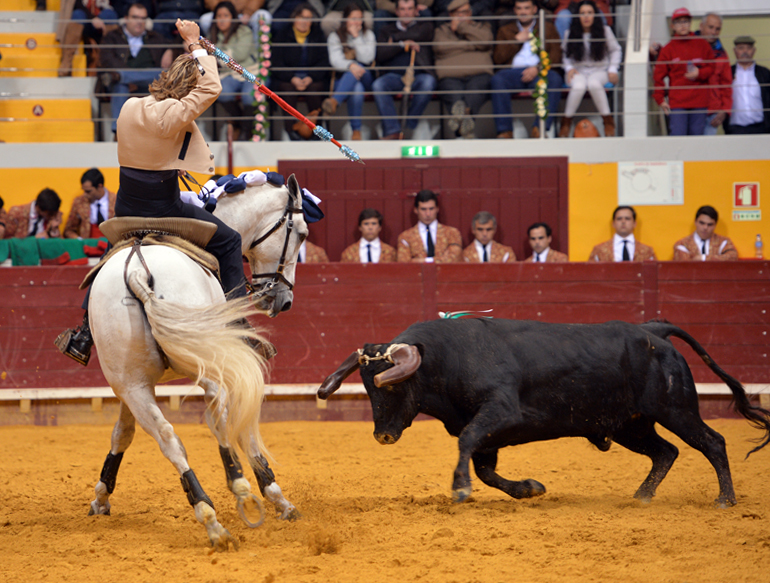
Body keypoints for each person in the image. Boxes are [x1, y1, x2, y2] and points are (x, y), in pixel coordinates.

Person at [57, 18, 249, 366]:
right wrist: (196, 46)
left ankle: (84, 330)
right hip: (164, 208)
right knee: (230, 240)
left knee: (111, 256)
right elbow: (210, 90)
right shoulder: (174, 114)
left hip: (127, 208)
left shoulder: (130, 107)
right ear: (186, 90)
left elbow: (154, 145)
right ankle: (237, 322)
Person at [491, 0, 563, 139]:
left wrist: (537, 68)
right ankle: (505, 131)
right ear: (515, 11)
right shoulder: (505, 30)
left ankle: (539, 128)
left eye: (526, 8)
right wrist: (515, 41)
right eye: (519, 8)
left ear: (534, 9)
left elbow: (556, 56)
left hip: (538, 72)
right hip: (513, 73)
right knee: (497, 80)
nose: (523, 12)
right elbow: (498, 59)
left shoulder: (547, 28)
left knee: (555, 79)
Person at [99, 2, 174, 136]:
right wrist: (130, 78)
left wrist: (169, 50)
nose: (139, 22)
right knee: (120, 86)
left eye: (143, 18)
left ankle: (122, 76)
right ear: (126, 18)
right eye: (135, 17)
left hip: (149, 84)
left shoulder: (155, 37)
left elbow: (176, 44)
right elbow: (107, 61)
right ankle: (119, 132)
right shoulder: (112, 37)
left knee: (163, 74)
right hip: (122, 85)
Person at [372, 0, 437, 140]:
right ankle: (392, 130)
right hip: (394, 76)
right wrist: (402, 45)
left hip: (418, 76)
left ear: (415, 11)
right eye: (402, 9)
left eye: (409, 9)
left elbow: (420, 34)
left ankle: (408, 125)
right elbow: (380, 54)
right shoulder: (386, 30)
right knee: (378, 85)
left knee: (428, 83)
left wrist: (395, 39)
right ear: (397, 12)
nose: (406, 12)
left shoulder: (425, 27)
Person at [432, 0, 494, 140]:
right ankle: (466, 119)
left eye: (464, 12)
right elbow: (440, 48)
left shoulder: (482, 27)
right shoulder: (441, 31)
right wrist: (472, 45)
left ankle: (461, 122)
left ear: (470, 13)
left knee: (476, 90)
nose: (461, 17)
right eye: (457, 13)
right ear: (450, 15)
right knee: (452, 91)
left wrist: (463, 29)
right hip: (450, 77)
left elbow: (486, 42)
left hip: (479, 75)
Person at [560, 0, 621, 137]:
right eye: (582, 13)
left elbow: (616, 50)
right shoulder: (569, 33)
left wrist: (613, 69)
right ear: (577, 16)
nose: (586, 16)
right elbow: (565, 55)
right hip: (577, 71)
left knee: (594, 83)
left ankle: (608, 122)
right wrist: (569, 68)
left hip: (600, 71)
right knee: (579, 86)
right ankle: (566, 122)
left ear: (595, 15)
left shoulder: (605, 31)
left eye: (589, 13)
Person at [270, 3, 330, 140]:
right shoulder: (283, 35)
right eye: (301, 17)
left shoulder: (318, 35)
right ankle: (291, 131)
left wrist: (311, 77)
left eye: (308, 18)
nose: (304, 22)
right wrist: (292, 78)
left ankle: (317, 131)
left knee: (315, 90)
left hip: (312, 78)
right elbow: (277, 63)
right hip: (288, 79)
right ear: (294, 18)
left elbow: (324, 62)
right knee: (287, 90)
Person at [652, 7, 714, 136]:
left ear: (690, 23)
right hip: (678, 103)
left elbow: (712, 67)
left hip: (699, 102)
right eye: (679, 22)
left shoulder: (702, 45)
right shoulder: (668, 49)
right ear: (673, 26)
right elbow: (658, 76)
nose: (683, 25)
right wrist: (660, 99)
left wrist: (699, 73)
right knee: (677, 139)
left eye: (685, 21)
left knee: (696, 140)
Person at [322, 3, 377, 141]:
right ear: (345, 19)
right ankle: (356, 131)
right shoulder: (335, 36)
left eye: (359, 18)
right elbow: (335, 61)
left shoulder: (368, 35)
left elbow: (368, 58)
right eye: (353, 18)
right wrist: (351, 65)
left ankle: (335, 101)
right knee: (356, 89)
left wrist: (356, 37)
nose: (356, 22)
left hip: (366, 77)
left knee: (359, 69)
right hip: (342, 80)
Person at [208, 0, 259, 140]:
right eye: (219, 16)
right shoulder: (213, 35)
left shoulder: (244, 31)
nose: (222, 19)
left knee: (249, 96)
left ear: (233, 17)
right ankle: (241, 122)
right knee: (222, 93)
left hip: (248, 72)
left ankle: (244, 131)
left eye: (226, 15)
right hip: (228, 74)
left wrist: (219, 56)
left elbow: (239, 55)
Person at [56, 0, 119, 76]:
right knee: (78, 14)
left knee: (110, 14)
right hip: (84, 20)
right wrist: (92, 18)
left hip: (102, 20)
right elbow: (76, 3)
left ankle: (108, 62)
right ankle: (67, 62)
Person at [397, 190, 462, 263]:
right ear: (416, 210)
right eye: (423, 209)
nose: (428, 214)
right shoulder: (405, 237)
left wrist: (420, 261)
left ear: (437, 209)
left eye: (431, 209)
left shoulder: (452, 233)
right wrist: (441, 259)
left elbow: (454, 259)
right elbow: (404, 264)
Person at [725, 36, 770, 135]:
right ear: (735, 51)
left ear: (754, 51)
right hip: (735, 128)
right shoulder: (728, 72)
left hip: (761, 127)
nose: (745, 51)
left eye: (748, 48)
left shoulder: (764, 73)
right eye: (741, 48)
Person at [696, 12, 732, 136]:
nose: (714, 32)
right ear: (701, 26)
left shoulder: (722, 54)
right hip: (690, 111)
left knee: (707, 153)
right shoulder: (687, 45)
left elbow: (726, 83)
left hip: (712, 113)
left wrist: (725, 110)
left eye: (717, 29)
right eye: (710, 27)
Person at [588, 205, 656, 262]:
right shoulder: (599, 250)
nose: (623, 221)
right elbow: (590, 274)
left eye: (627, 218)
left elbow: (654, 275)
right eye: (619, 219)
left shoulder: (647, 251)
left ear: (635, 224)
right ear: (613, 224)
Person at [63, 168, 117, 239]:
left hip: (113, 246)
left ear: (100, 186)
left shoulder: (116, 200)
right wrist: (79, 240)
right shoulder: (79, 202)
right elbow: (69, 230)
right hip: (88, 247)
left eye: (88, 191)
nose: (85, 194)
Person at [673, 206, 738, 261]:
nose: (705, 227)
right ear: (695, 222)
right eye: (702, 223)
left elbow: (733, 256)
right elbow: (684, 265)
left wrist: (704, 258)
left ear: (715, 225)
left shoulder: (723, 241)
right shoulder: (682, 244)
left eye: (710, 224)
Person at [201, 0, 271, 41]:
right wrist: (222, 12)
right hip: (224, 12)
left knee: (264, 16)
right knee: (205, 20)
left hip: (246, 14)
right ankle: (215, 50)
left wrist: (248, 12)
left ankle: (258, 55)